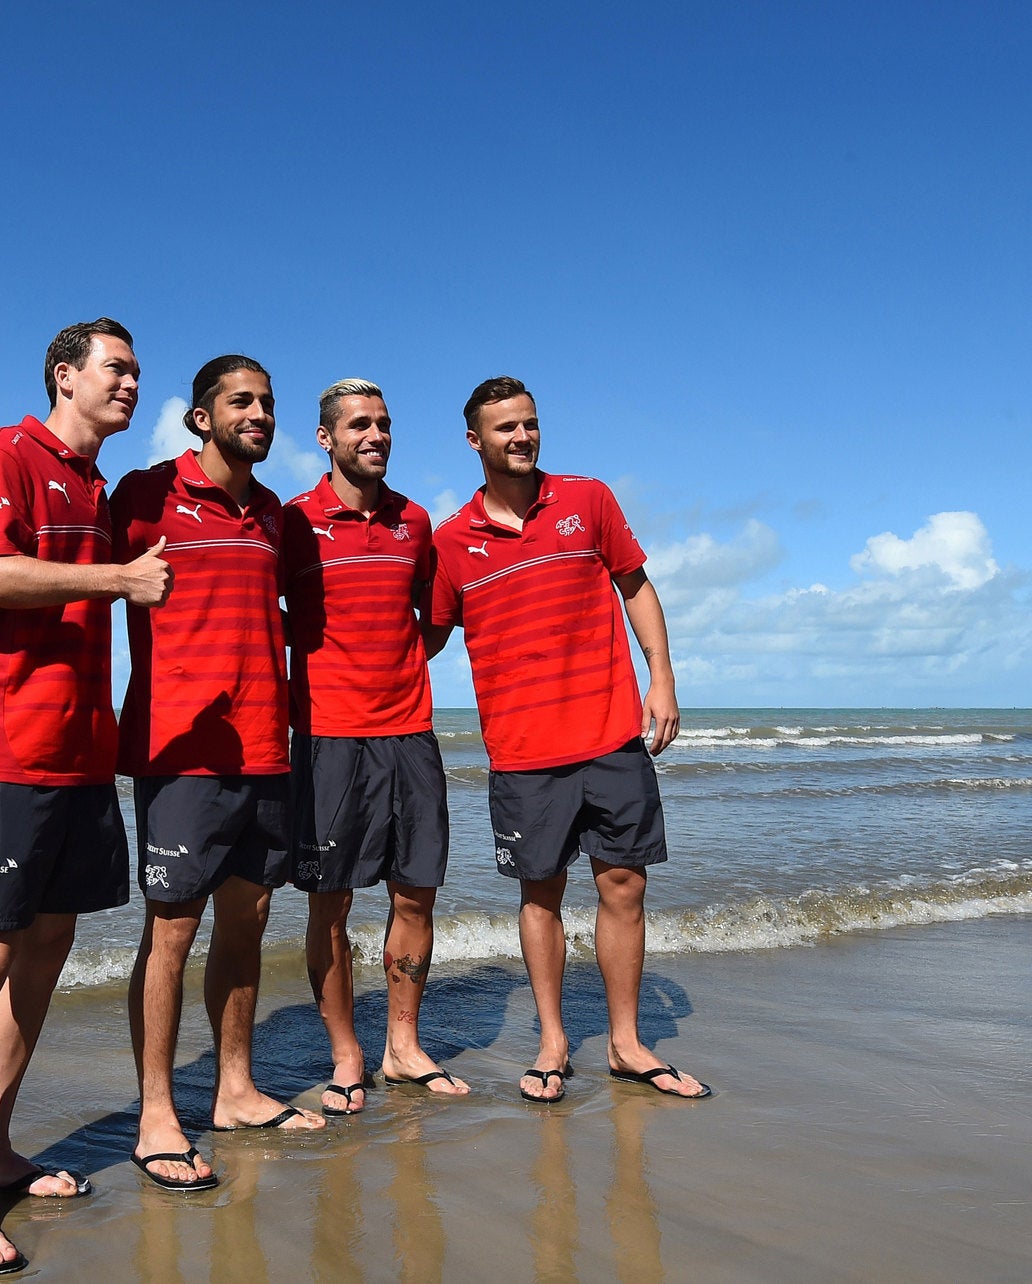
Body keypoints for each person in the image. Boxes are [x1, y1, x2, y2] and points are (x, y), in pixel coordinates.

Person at [0, 319, 171, 1276]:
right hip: (1, 749)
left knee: (48, 949)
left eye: (139, 371)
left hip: (79, 756)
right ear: (65, 376)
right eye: (117, 368)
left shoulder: (101, 487)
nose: (131, 384)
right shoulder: (6, 453)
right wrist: (116, 580)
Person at [426, 376, 709, 1104]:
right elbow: (421, 637)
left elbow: (636, 586)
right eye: (505, 428)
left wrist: (663, 679)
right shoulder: (451, 542)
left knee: (625, 885)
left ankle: (625, 1042)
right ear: (474, 442)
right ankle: (553, 1041)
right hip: (523, 750)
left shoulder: (588, 500)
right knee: (540, 893)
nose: (521, 437)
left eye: (530, 424)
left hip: (611, 733)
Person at [112, 354, 324, 1195]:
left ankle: (235, 1090)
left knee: (248, 919)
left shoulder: (278, 516)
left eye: (267, 403)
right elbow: (86, 584)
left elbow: (304, 628)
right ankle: (156, 1114)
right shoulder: (145, 494)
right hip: (180, 752)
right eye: (241, 402)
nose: (259, 414)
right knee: (171, 931)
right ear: (201, 417)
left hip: (266, 749)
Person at [282, 379, 468, 1115]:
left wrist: (389, 661)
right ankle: (347, 1054)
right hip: (327, 738)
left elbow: (435, 618)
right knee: (328, 906)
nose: (377, 436)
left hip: (410, 735)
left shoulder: (414, 521)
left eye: (385, 424)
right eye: (360, 424)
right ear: (325, 437)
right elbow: (265, 616)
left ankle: (403, 1046)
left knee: (415, 893)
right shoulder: (293, 522)